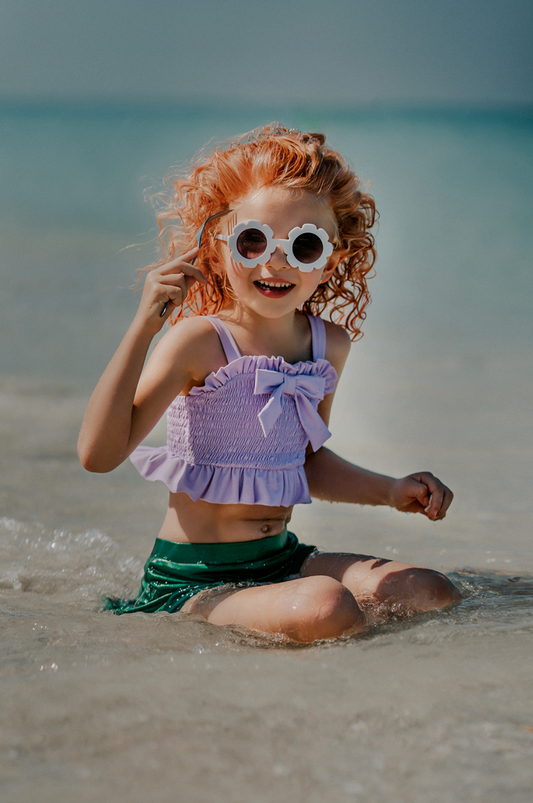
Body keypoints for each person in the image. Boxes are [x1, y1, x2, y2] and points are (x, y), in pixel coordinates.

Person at [78, 123, 461, 643]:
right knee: (329, 605)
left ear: (330, 261)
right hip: (193, 579)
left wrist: (393, 490)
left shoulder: (328, 345)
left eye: (303, 245)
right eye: (253, 240)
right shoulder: (199, 341)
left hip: (282, 560)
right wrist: (143, 327)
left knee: (429, 589)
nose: (276, 261)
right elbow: (97, 456)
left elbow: (308, 461)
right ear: (217, 249)